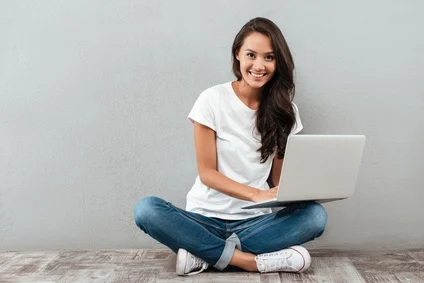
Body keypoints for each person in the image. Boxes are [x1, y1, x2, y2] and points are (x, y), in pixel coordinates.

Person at [134, 17, 327, 276]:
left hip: (256, 223)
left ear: (278, 61)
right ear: (237, 54)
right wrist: (255, 194)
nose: (259, 65)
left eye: (269, 57)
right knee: (147, 209)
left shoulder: (286, 112)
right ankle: (250, 261)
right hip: (203, 220)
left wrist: (307, 188)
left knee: (315, 216)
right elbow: (207, 174)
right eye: (251, 55)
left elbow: (279, 182)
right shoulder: (212, 99)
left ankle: (204, 254)